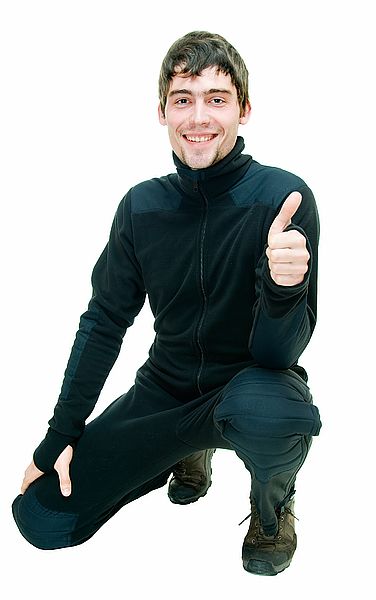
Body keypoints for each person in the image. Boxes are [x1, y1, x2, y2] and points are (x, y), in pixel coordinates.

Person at [12, 30, 321, 576]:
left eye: (216, 99)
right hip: (165, 389)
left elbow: (278, 353)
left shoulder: (281, 199)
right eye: (184, 99)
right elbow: (104, 322)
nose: (198, 117)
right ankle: (184, 451)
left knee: (279, 412)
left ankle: (272, 510)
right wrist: (58, 438)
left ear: (243, 110)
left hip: (248, 388)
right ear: (163, 111)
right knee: (42, 519)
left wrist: (284, 288)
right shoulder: (141, 207)